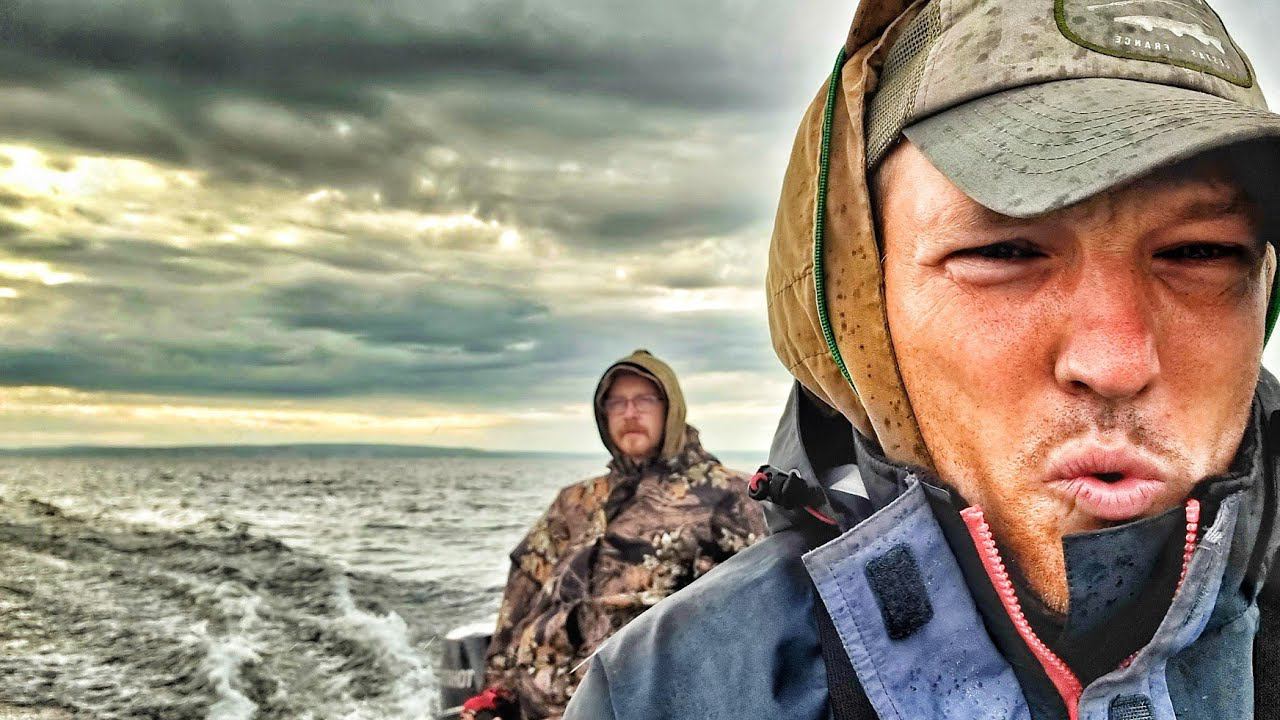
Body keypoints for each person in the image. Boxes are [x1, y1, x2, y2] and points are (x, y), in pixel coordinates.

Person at [564, 1, 1280, 718]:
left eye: (1202, 252)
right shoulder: (668, 694)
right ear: (859, 311)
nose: (1116, 362)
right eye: (1004, 251)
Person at [462, 349, 766, 720]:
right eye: (617, 402)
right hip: (539, 703)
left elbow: (757, 617)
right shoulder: (575, 502)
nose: (630, 413)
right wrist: (497, 690)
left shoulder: (728, 496)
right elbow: (522, 590)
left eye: (644, 400)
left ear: (670, 408)